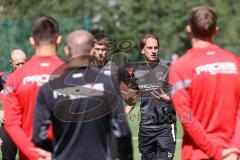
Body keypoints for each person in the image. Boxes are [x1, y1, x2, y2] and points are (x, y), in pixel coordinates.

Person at [31, 30, 133, 160]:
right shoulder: (107, 85)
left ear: (67, 51)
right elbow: (122, 132)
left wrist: (54, 153)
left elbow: (39, 136)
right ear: (91, 51)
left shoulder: (48, 89)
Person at [169, 6, 240, 160]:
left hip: (198, 154)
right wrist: (234, 149)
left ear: (189, 29)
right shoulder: (235, 63)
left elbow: (186, 117)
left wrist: (216, 153)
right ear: (216, 30)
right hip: (231, 155)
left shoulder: (180, 67)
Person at [3, 16, 64, 160]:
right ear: (59, 39)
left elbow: (11, 124)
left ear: (32, 41)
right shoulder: (70, 74)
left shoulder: (14, 78)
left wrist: (33, 153)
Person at [126, 34, 176, 160]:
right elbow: (133, 98)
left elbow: (181, 97)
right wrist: (123, 112)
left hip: (165, 128)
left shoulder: (169, 68)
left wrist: (168, 99)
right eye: (149, 48)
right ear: (142, 50)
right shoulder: (137, 71)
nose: (153, 51)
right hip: (145, 130)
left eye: (156, 47)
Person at [0, 49, 27, 160]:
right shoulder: (3, 78)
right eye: (17, 64)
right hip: (8, 125)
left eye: (23, 63)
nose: (20, 66)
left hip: (27, 124)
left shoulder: (33, 77)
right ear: (11, 62)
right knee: (7, 156)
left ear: (27, 60)